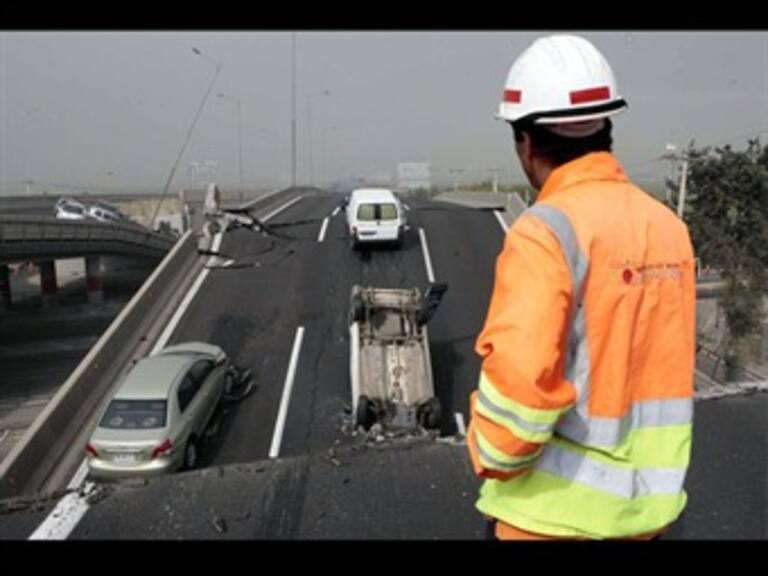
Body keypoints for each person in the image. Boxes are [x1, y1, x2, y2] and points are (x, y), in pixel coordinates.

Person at [466, 34, 696, 540]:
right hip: (651, 519)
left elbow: (516, 409)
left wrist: (484, 449)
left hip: (547, 522)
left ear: (525, 142)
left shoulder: (544, 232)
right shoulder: (667, 228)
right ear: (605, 128)